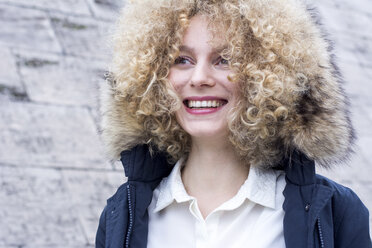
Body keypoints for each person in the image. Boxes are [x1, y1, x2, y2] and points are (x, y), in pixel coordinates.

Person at [96, 0, 372, 247]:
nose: (199, 77)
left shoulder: (337, 213)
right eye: (182, 60)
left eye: (224, 60)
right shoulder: (121, 215)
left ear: (266, 76)